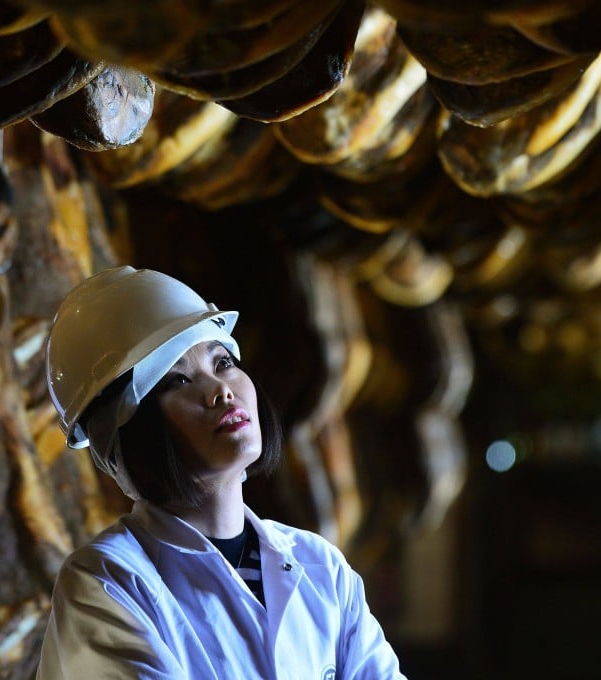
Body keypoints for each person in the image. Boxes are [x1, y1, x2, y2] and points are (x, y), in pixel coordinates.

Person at [37, 266, 407, 679]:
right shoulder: (108, 582)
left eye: (223, 361)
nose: (220, 389)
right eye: (176, 380)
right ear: (124, 432)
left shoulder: (321, 567)